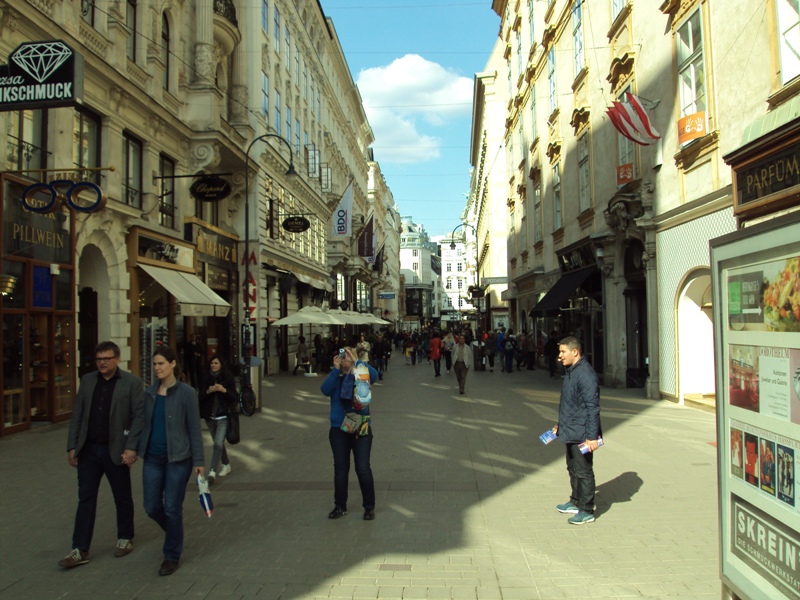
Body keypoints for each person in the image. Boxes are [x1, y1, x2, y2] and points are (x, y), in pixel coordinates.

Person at [59, 341, 145, 569]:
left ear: (117, 359)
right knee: (86, 498)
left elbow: (139, 417)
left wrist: (131, 447)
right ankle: (80, 548)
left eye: (106, 359)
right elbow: (77, 415)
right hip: (88, 450)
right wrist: (72, 446)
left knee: (122, 496)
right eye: (99, 359)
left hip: (115, 450)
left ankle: (125, 537)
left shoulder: (132, 383)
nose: (102, 363)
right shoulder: (87, 381)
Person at [139, 347, 205, 576]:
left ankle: (171, 555)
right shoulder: (149, 393)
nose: (157, 368)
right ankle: (174, 533)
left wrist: (199, 460)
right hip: (153, 457)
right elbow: (142, 424)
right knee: (151, 506)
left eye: (161, 364)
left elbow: (194, 429)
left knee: (172, 507)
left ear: (173, 364)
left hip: (179, 458)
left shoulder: (187, 393)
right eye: (155, 364)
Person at [320, 347, 379, 520]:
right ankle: (340, 506)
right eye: (342, 356)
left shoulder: (360, 374)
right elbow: (324, 390)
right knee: (340, 469)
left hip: (361, 427)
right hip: (339, 429)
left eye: (347, 356)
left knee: (362, 468)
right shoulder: (336, 377)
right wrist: (335, 370)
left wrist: (358, 362)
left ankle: (369, 507)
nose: (344, 358)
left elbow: (374, 376)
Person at [555, 336, 601, 525]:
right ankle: (575, 501)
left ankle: (587, 509)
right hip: (570, 430)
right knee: (573, 468)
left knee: (583, 471)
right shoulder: (571, 371)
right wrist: (560, 425)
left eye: (563, 352)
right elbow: (570, 403)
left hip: (582, 434)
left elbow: (593, 407)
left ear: (575, 352)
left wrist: (592, 437)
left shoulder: (585, 374)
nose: (560, 356)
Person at [198, 355, 237, 483]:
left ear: (221, 365)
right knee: (218, 444)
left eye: (216, 363)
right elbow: (200, 396)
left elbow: (234, 397)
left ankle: (212, 472)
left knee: (217, 444)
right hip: (210, 416)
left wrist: (223, 390)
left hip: (223, 416)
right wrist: (208, 391)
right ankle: (226, 464)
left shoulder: (227, 377)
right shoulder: (206, 378)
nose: (213, 365)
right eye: (212, 363)